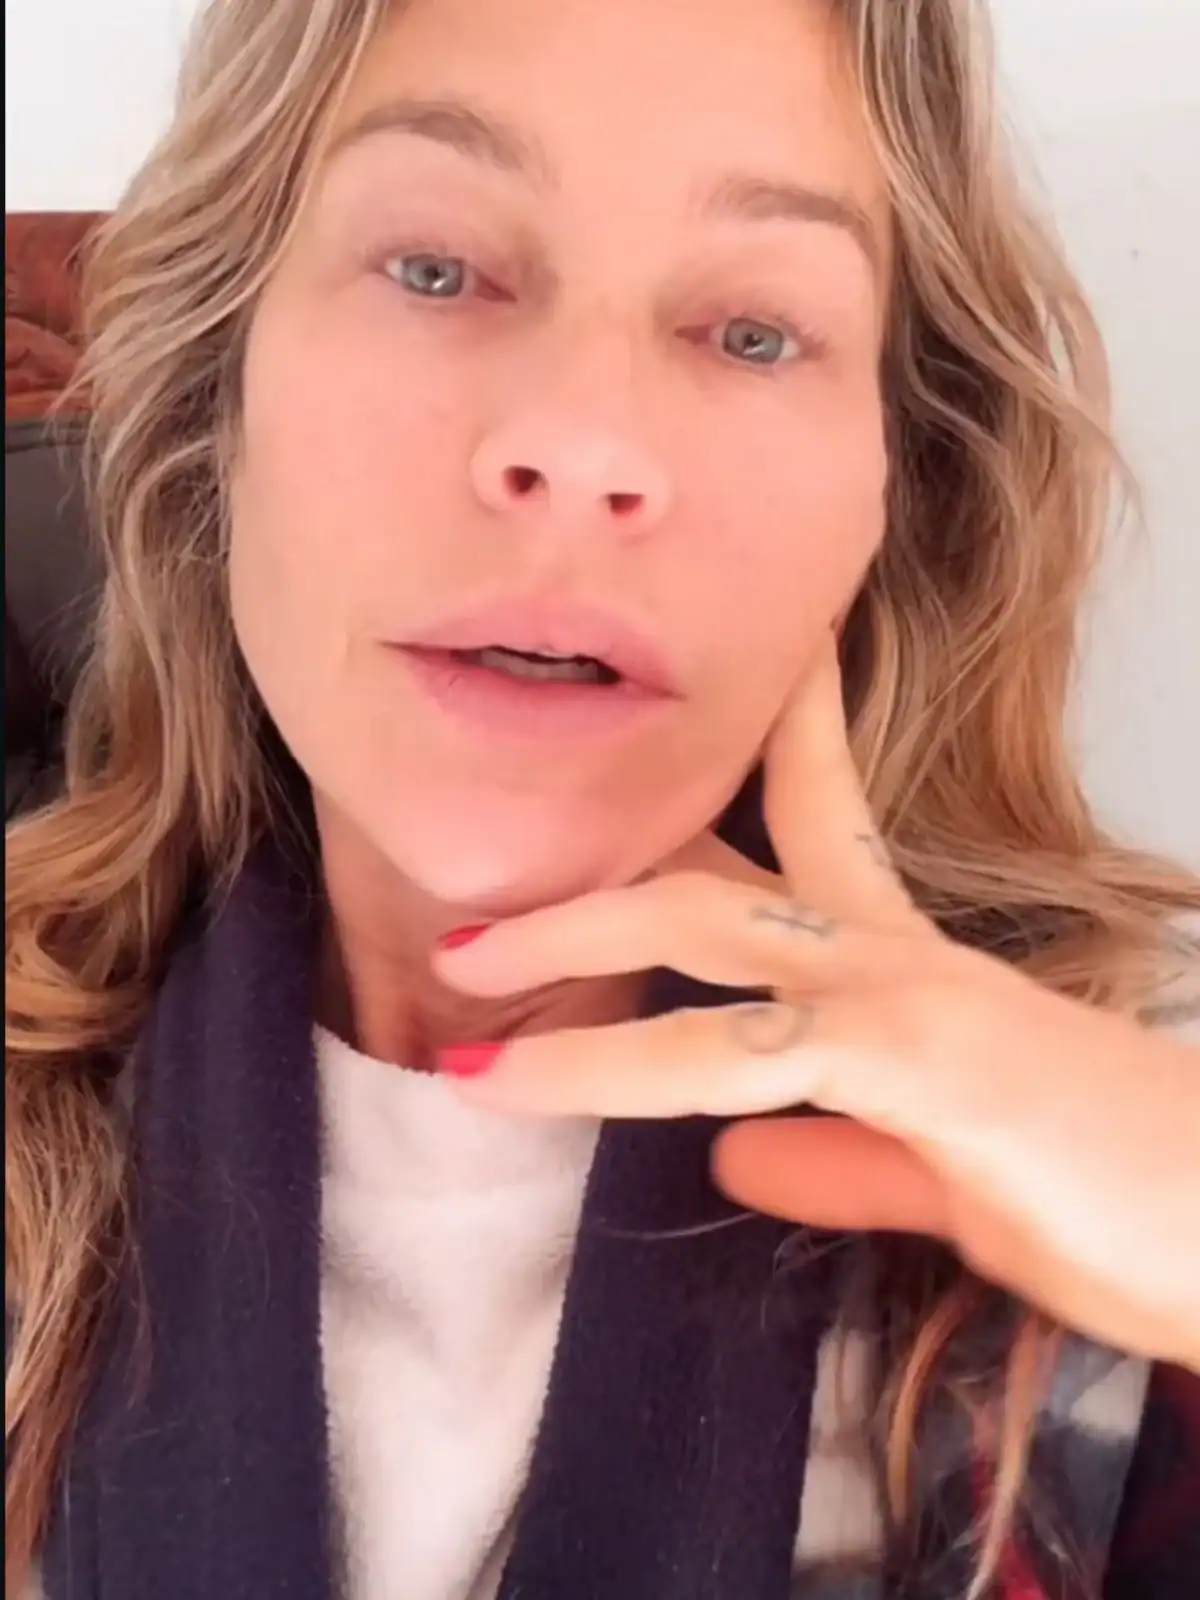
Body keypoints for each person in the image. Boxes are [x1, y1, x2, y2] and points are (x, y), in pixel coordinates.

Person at [5, 0, 1199, 1595]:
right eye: (436, 269)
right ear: (218, 398)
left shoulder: (1132, 1177)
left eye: (754, 332)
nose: (580, 445)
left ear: (894, 494)